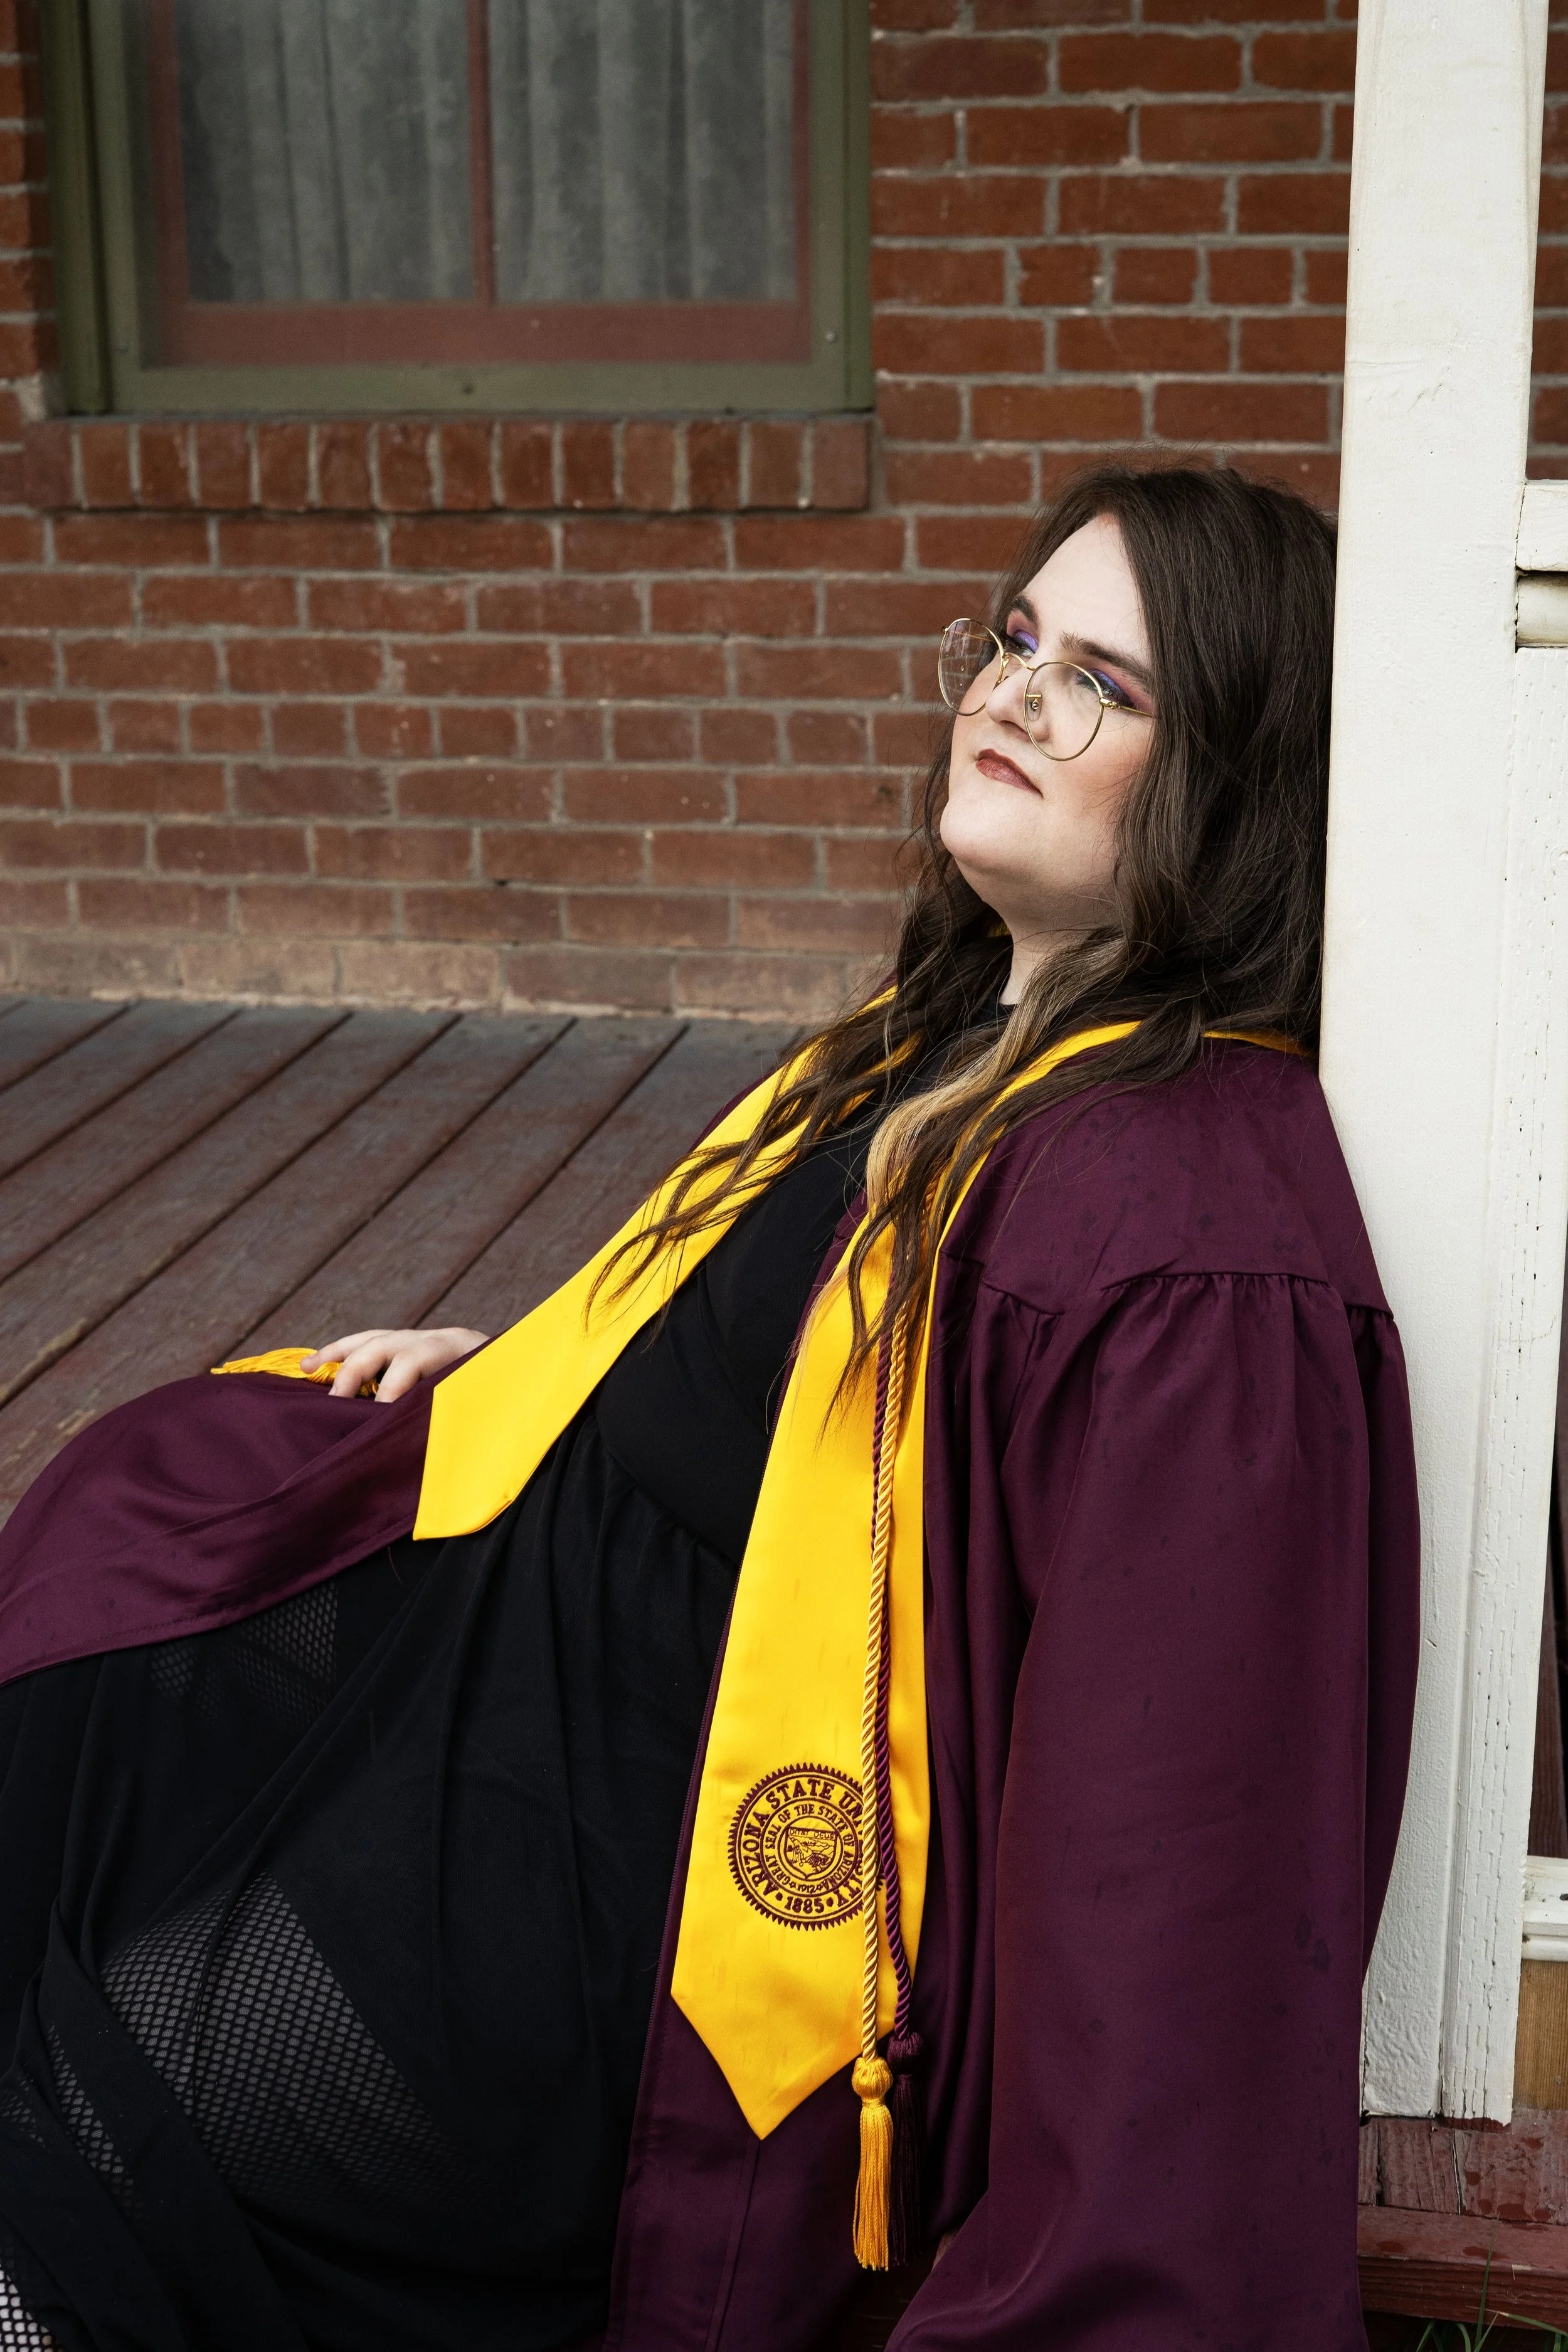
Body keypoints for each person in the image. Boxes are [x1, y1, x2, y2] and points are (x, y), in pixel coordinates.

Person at [0, 465, 1419, 2352]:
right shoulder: (958, 1037)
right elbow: (798, 1380)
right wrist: (550, 1354)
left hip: (602, 1890)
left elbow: (1179, 1892)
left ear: (1237, 781)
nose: (1006, 694)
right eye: (1012, 640)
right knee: (100, 1627)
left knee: (121, 2114)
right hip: (504, 1698)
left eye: (1103, 683)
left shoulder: (1178, 1237)